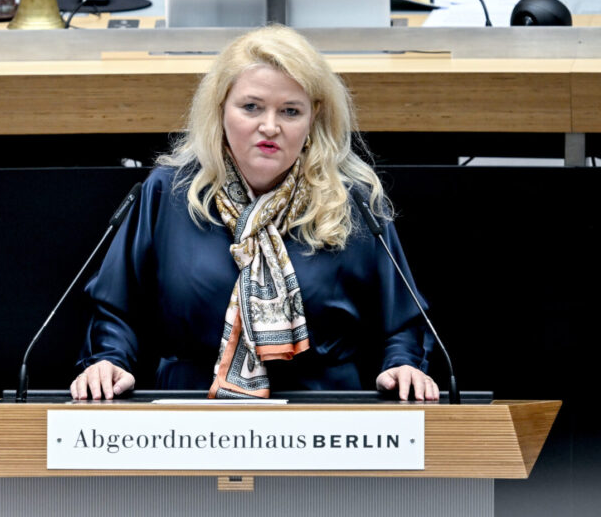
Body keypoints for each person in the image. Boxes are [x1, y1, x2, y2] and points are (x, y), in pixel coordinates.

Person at [70, 25, 440, 402]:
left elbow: (402, 322)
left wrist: (403, 365)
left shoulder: (353, 201)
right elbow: (117, 308)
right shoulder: (169, 192)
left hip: (325, 419)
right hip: (187, 417)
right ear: (220, 111)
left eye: (290, 111)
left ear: (313, 119)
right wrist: (108, 360)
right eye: (251, 107)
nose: (270, 126)